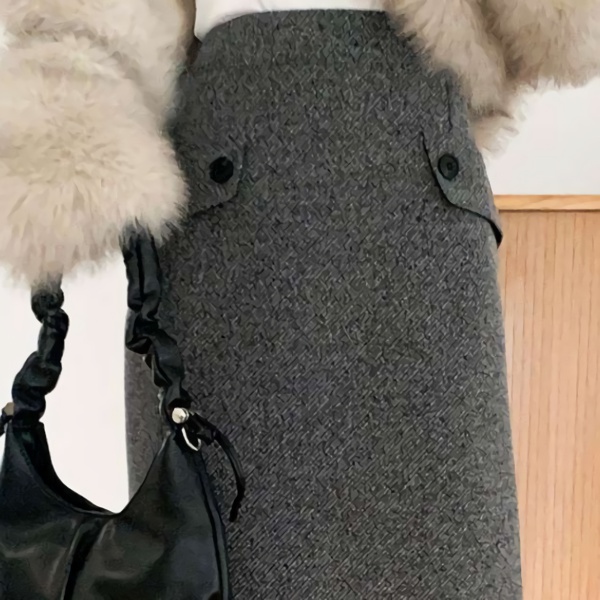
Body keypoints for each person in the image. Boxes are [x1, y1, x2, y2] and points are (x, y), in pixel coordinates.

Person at [1, 1, 599, 597]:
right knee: (224, 559)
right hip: (231, 202)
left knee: (447, 562)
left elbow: (561, 40)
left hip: (416, 184)